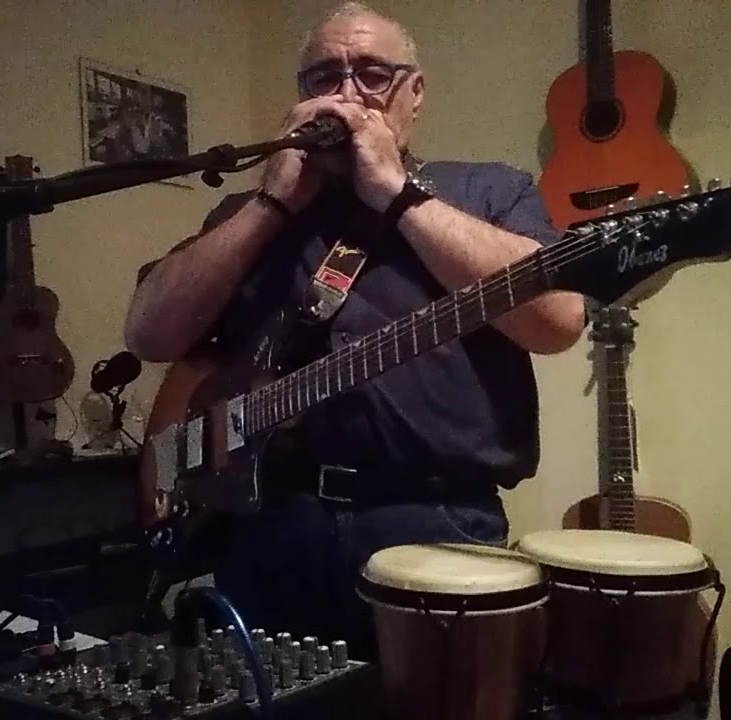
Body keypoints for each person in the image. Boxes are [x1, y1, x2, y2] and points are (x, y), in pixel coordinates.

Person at [123, 2, 587, 655]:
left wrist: (397, 193)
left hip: (435, 524)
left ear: (415, 93)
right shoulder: (246, 211)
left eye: (372, 74)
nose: (346, 94)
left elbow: (559, 319)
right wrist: (270, 202)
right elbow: (149, 335)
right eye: (324, 77)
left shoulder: (488, 191)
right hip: (268, 524)